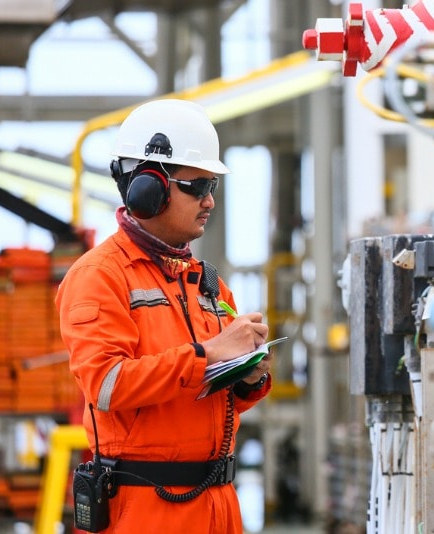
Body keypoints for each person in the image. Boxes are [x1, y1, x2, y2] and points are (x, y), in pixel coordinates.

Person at [56, 98, 273, 533]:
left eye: (213, 186)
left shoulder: (206, 282)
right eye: (197, 186)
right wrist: (208, 354)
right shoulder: (100, 276)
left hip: (218, 507)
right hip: (147, 512)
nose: (209, 201)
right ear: (148, 189)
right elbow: (106, 384)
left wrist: (249, 376)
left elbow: (217, 400)